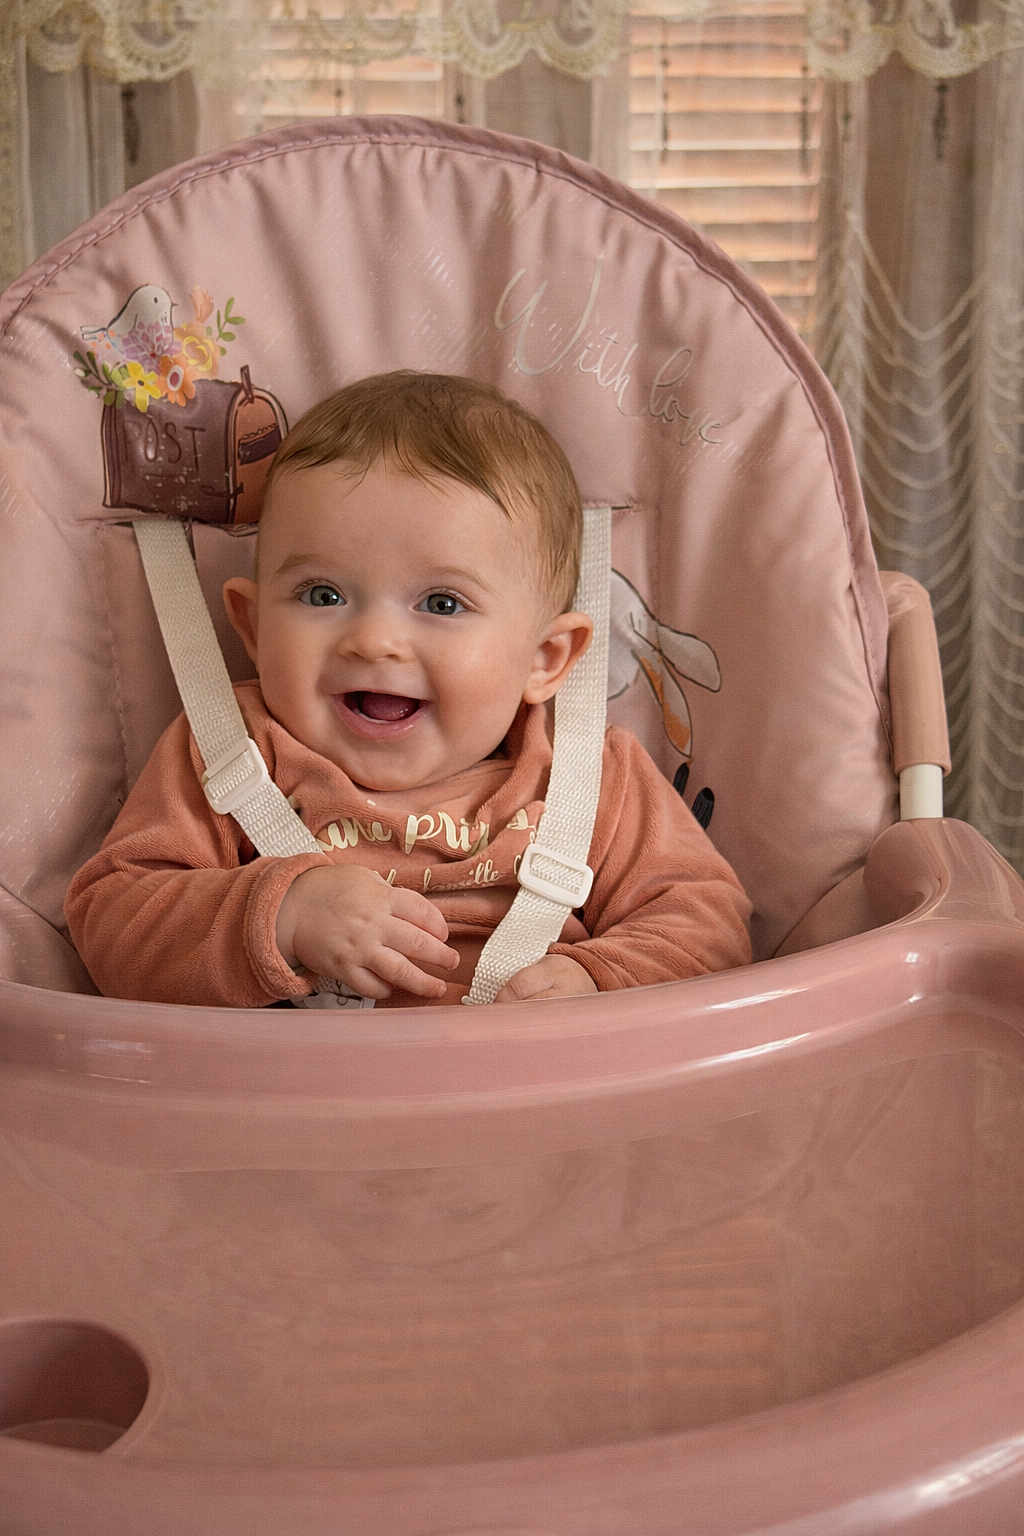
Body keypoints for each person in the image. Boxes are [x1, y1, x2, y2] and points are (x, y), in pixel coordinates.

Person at [65, 371, 752, 1007]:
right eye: (323, 593)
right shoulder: (229, 754)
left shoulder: (589, 778)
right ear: (252, 626)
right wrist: (280, 914)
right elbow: (113, 922)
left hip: (533, 1102)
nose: (373, 641)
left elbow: (709, 924)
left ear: (545, 658)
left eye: (442, 604)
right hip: (297, 1111)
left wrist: (599, 978)